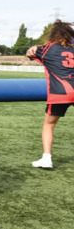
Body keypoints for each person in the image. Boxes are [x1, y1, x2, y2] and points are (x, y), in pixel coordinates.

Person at [26, 19, 74, 169]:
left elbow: (29, 54)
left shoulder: (46, 48)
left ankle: (47, 158)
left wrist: (34, 48)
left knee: (49, 124)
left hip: (60, 92)